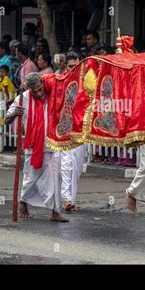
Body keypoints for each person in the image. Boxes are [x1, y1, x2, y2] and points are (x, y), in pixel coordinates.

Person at [4, 73, 67, 222]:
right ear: (29, 90)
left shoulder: (51, 92)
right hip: (34, 146)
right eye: (35, 91)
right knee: (31, 178)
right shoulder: (23, 98)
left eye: (40, 89)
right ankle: (23, 202)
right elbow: (6, 120)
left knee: (55, 177)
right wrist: (14, 114)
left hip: (52, 143)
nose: (39, 93)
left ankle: (55, 211)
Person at [60, 52, 86, 212]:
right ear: (65, 66)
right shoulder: (60, 80)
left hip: (80, 129)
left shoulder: (86, 82)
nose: (73, 69)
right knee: (65, 165)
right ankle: (65, 199)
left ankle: (71, 200)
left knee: (76, 167)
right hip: (63, 129)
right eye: (70, 66)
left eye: (76, 66)